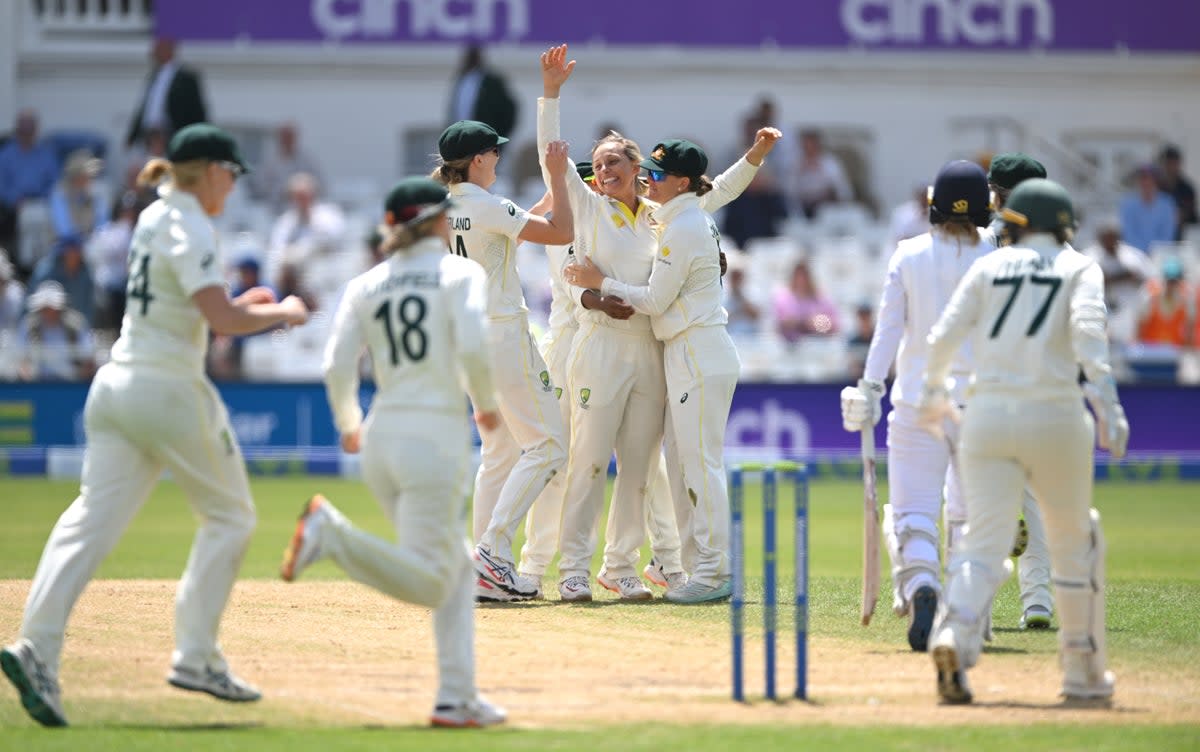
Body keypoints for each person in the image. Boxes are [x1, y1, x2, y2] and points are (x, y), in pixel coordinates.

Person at [0, 123, 309, 727]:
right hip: (167, 388)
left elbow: (193, 308)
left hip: (117, 385)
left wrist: (240, 311)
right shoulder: (191, 221)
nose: (234, 183)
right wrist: (282, 313)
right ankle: (196, 655)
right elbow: (215, 312)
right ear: (209, 170)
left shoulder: (151, 216)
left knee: (88, 521)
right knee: (232, 516)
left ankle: (36, 646)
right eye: (231, 172)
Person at [541, 44, 779, 602]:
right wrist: (550, 94)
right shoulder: (589, 204)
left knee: (642, 470)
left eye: (617, 165)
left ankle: (620, 565)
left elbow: (712, 191)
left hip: (652, 346)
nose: (605, 173)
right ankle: (573, 566)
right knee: (589, 460)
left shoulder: (658, 214)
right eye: (598, 165)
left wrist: (754, 157)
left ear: (637, 171)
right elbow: (548, 155)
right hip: (600, 347)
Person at [279, 176, 506, 728]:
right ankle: (331, 535)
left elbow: (336, 363)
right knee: (434, 579)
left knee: (453, 572)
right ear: (432, 222)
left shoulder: (366, 284)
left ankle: (457, 698)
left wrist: (348, 423)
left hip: (381, 437)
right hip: (434, 437)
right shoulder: (460, 273)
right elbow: (475, 344)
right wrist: (489, 404)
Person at [917, 178, 1128, 705]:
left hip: (986, 416)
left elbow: (941, 337)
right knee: (1074, 544)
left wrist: (931, 398)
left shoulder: (988, 266)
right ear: (1063, 227)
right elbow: (1090, 340)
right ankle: (1081, 674)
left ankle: (954, 634)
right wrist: (1110, 410)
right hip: (1055, 414)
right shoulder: (1079, 267)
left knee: (982, 543)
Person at [565, 138, 746, 604]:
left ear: (681, 183)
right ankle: (685, 566)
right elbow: (718, 192)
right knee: (676, 464)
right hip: (670, 350)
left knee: (695, 466)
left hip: (689, 350)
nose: (650, 178)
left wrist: (598, 281)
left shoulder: (676, 221)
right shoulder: (674, 216)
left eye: (657, 174)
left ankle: (711, 569)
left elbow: (653, 299)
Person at [840, 160, 995, 651]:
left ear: (934, 205)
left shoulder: (908, 254)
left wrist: (868, 388)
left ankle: (922, 586)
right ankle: (969, 617)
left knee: (913, 514)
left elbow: (887, 331)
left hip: (915, 401)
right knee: (972, 518)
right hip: (979, 404)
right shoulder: (997, 255)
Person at [434, 119, 573, 600]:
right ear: (477, 160)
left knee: (500, 453)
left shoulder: (442, 209)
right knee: (549, 446)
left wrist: (536, 204)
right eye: (492, 153)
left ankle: (483, 567)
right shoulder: (490, 207)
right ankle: (491, 555)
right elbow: (561, 233)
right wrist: (558, 177)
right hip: (501, 334)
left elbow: (505, 232)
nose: (496, 159)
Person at [982, 151, 1059, 629]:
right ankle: (1036, 601)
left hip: (997, 384)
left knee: (992, 496)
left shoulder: (979, 244)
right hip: (1031, 384)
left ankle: (997, 602)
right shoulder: (1053, 247)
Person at [126, 38, 209, 149]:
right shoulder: (154, 75)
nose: (153, 52)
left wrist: (197, 137)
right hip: (149, 137)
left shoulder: (186, 76)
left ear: (169, 49)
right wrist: (133, 135)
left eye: (158, 48)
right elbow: (145, 106)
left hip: (172, 136)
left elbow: (197, 109)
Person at [0, 110, 60, 257]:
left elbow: (55, 182)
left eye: (30, 130)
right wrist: (15, 200)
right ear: (18, 130)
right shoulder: (6, 155)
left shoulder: (46, 153)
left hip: (41, 202)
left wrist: (44, 198)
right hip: (13, 206)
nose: (27, 134)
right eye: (23, 130)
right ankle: (20, 263)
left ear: (36, 130)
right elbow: (1, 185)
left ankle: (43, 260)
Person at [17, 281, 95, 382]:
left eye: (52, 308)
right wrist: (28, 377)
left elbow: (88, 359)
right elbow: (20, 360)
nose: (49, 313)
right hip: (37, 385)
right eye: (45, 309)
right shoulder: (28, 325)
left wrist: (77, 379)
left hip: (72, 385)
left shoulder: (76, 324)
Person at [447, 45, 517, 139]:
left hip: (485, 139)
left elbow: (508, 111)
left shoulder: (492, 81)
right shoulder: (461, 79)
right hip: (461, 138)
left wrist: (499, 136)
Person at [774, 260, 839, 342]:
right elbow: (778, 324)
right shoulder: (783, 298)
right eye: (798, 276)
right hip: (791, 345)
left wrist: (814, 324)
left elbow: (834, 325)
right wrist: (796, 323)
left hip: (818, 343)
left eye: (804, 276)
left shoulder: (821, 298)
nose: (801, 280)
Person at [1119, 165, 1177, 254]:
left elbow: (1168, 234)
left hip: (1160, 255)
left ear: (1156, 181)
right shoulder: (1128, 204)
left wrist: (1155, 251)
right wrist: (1142, 252)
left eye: (1150, 179)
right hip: (1134, 255)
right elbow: (1128, 233)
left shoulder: (1167, 204)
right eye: (1143, 178)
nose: (1146, 182)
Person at [1158, 145, 1197, 241]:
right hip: (1159, 237)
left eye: (1174, 163)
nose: (1171, 167)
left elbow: (1192, 216)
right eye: (1168, 163)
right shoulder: (1157, 187)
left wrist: (1182, 215)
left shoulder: (1187, 188)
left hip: (1182, 238)